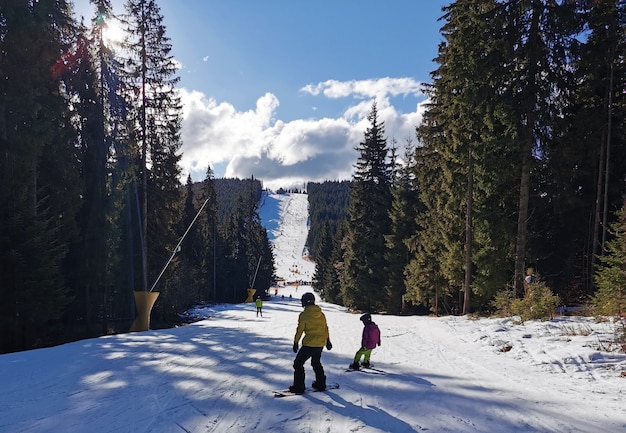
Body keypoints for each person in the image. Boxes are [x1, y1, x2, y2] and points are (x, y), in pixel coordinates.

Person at [289, 292, 332, 394]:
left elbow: (300, 330)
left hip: (309, 344)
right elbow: (325, 328)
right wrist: (328, 340)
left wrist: (296, 342)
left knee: (298, 364)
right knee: (316, 362)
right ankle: (320, 384)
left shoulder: (304, 315)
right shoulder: (321, 314)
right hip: (320, 344)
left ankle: (299, 387)